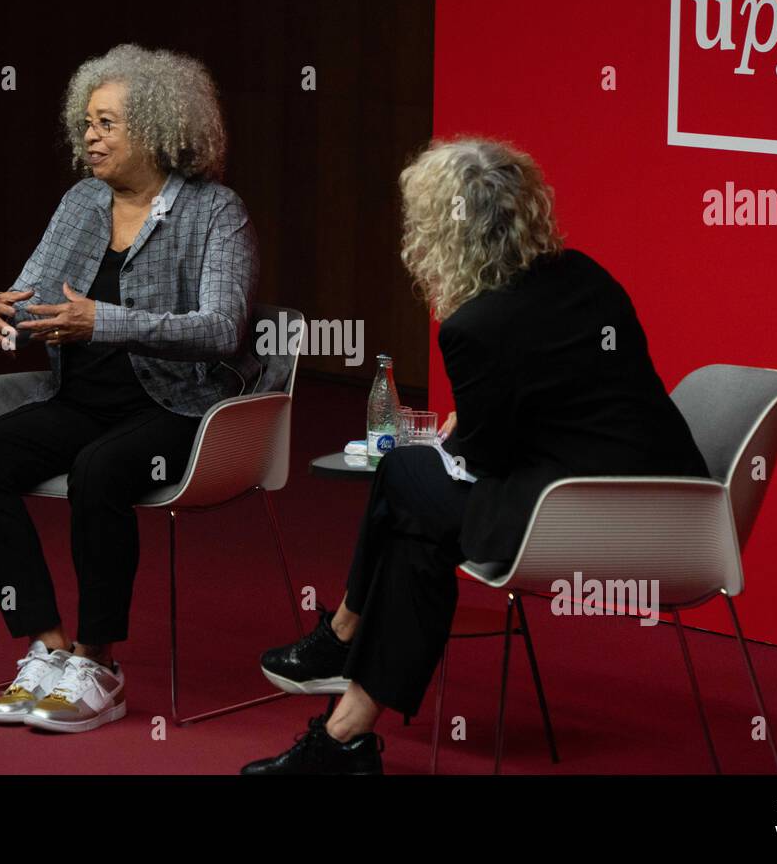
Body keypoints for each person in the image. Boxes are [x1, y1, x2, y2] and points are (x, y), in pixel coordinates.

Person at [241, 137, 710, 773]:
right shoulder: (589, 277)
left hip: (575, 523)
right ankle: (344, 734)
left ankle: (344, 635)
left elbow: (487, 456)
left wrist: (452, 437)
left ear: (441, 234)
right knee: (418, 533)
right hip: (675, 516)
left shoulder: (475, 327)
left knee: (405, 475)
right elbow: (572, 406)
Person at [0, 43, 260, 734]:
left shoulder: (216, 212)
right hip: (82, 403)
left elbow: (222, 328)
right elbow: (32, 296)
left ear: (157, 126)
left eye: (107, 123)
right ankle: (49, 648)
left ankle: (98, 662)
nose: (89, 136)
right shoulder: (83, 202)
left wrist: (105, 320)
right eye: (85, 123)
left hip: (177, 407)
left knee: (101, 470)